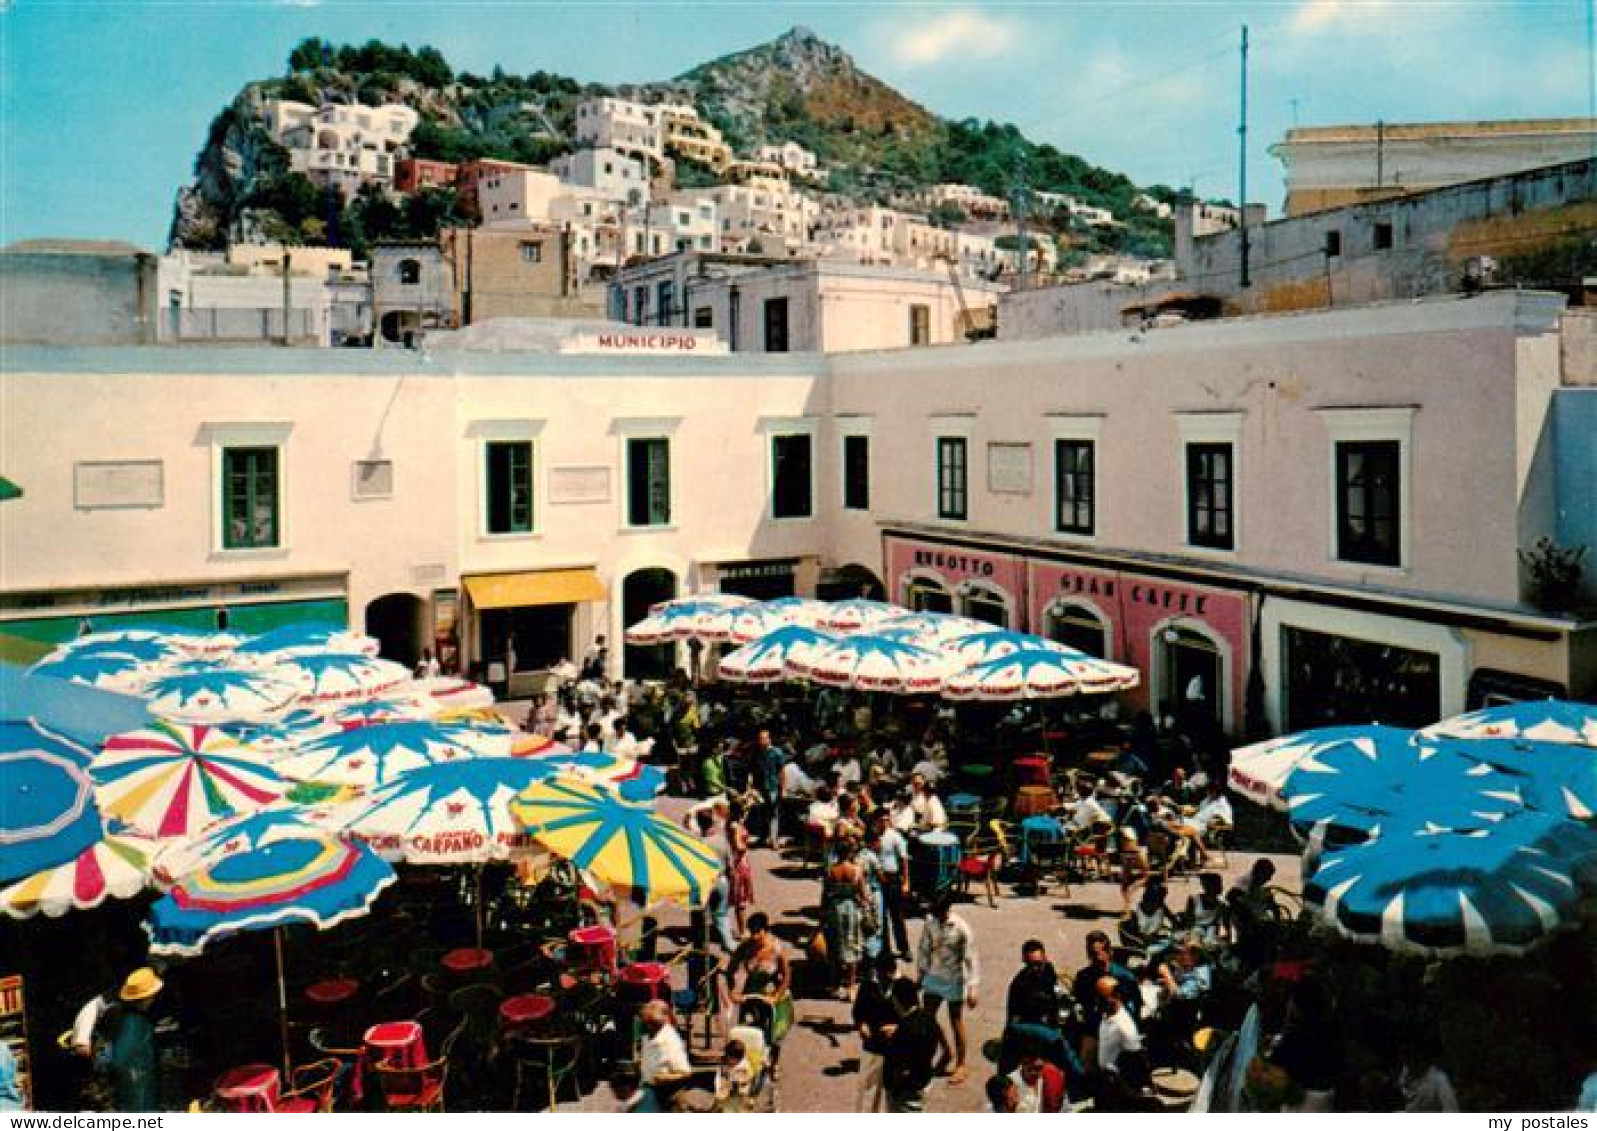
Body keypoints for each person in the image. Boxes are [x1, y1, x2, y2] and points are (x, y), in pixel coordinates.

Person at [916, 890, 980, 1085]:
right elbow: (924, 949)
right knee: (927, 1017)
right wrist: (920, 974)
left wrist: (973, 987)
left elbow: (971, 959)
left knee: (955, 1020)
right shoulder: (930, 922)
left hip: (954, 978)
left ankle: (961, 1064)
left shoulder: (961, 928)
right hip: (934, 975)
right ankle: (946, 1051)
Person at [726, 912, 793, 1061]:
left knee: (773, 1032)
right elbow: (730, 970)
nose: (755, 936)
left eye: (758, 932)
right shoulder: (745, 947)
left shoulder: (776, 948)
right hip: (751, 993)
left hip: (771, 993)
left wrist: (776, 996)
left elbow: (786, 975)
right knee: (747, 1028)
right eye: (752, 932)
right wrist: (732, 992)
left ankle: (774, 1062)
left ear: (765, 930)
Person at [1002, 939, 1075, 1076]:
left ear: (1045, 958)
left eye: (1039, 964)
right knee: (1060, 1043)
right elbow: (1013, 1022)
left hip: (1051, 1022)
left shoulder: (1049, 971)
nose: (1036, 969)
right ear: (1024, 961)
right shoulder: (1019, 985)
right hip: (1030, 1027)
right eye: (1031, 965)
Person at [1071, 931, 1139, 1068]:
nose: (1098, 958)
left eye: (1101, 952)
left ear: (1109, 952)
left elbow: (1136, 1005)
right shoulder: (1083, 976)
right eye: (1093, 954)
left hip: (1116, 1029)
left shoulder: (1125, 977)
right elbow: (1078, 1002)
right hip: (1092, 1029)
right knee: (1084, 1067)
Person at [104, 967, 163, 1112]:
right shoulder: (134, 1022)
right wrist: (135, 1075)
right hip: (136, 1085)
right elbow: (120, 1058)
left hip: (140, 1081)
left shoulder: (132, 1018)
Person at [883, 977, 941, 1113]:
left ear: (897, 1001)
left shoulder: (905, 1031)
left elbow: (898, 1067)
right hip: (923, 1082)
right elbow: (948, 1054)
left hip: (905, 1093)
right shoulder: (929, 1019)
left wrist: (895, 1089)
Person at [823, 837, 870, 1000]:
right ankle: (850, 986)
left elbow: (825, 893)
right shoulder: (857, 870)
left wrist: (823, 912)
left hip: (835, 909)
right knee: (852, 946)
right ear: (850, 852)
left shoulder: (831, 870)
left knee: (834, 947)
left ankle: (834, 985)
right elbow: (863, 894)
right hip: (851, 909)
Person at [1093, 976, 1147, 1108]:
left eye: (1101, 998)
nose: (1097, 1001)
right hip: (1104, 1079)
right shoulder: (1106, 1013)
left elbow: (1135, 1065)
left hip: (1116, 1086)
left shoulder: (1125, 1027)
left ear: (1116, 996)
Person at [853, 966, 898, 1113]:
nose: (886, 977)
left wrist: (898, 1028)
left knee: (894, 1095)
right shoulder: (868, 986)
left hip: (896, 1048)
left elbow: (912, 1015)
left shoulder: (902, 986)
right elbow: (857, 1011)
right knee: (868, 1092)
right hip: (873, 1045)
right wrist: (861, 1024)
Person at [871, 809, 912, 960]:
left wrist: (906, 881)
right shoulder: (873, 837)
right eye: (881, 820)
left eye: (886, 820)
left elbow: (904, 860)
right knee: (881, 917)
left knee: (897, 916)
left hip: (893, 878)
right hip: (877, 879)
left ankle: (904, 948)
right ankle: (885, 949)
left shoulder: (895, 837)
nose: (884, 823)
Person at [638, 1001, 694, 1104]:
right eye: (645, 1022)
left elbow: (686, 1072)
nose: (648, 1026)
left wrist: (663, 1077)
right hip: (647, 1090)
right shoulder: (647, 1037)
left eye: (652, 1023)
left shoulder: (670, 1041)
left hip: (665, 1093)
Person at [725, 798, 755, 936]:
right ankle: (742, 931)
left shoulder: (732, 822)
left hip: (737, 862)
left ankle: (738, 928)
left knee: (738, 898)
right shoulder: (735, 826)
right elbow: (738, 846)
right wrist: (746, 845)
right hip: (739, 863)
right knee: (740, 900)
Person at [755, 729, 789, 846]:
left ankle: (773, 839)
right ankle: (763, 837)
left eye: (763, 738)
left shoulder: (776, 752)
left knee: (773, 813)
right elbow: (754, 771)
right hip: (761, 787)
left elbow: (782, 771)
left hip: (773, 786)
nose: (761, 741)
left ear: (769, 739)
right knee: (762, 813)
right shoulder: (758, 753)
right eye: (760, 738)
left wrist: (783, 788)